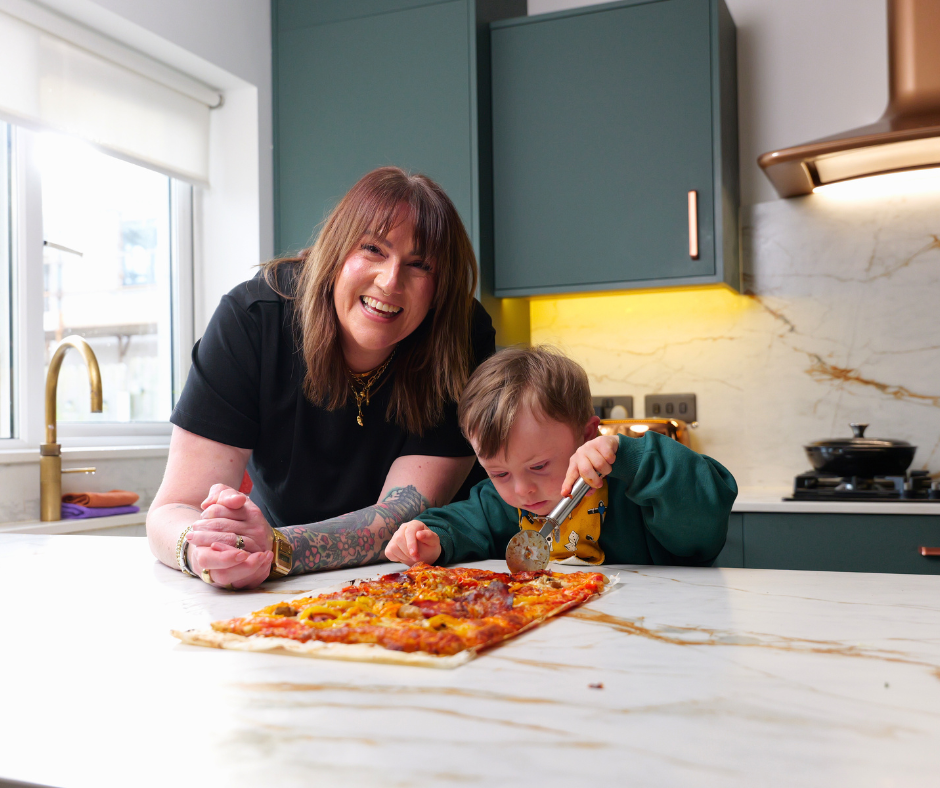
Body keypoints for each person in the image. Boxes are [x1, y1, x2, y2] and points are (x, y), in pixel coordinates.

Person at [147, 167, 495, 588]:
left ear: (440, 287)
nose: (390, 282)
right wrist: (198, 546)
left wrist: (276, 548)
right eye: (373, 249)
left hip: (426, 581)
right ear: (335, 250)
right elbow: (172, 509)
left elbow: (402, 517)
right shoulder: (252, 320)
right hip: (277, 584)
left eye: (419, 265)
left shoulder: (458, 333)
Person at [385, 346, 737, 567]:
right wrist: (429, 539)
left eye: (539, 466)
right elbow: (459, 524)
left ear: (587, 435)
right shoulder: (500, 504)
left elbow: (705, 527)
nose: (522, 491)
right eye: (499, 474)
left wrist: (631, 458)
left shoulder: (635, 487)